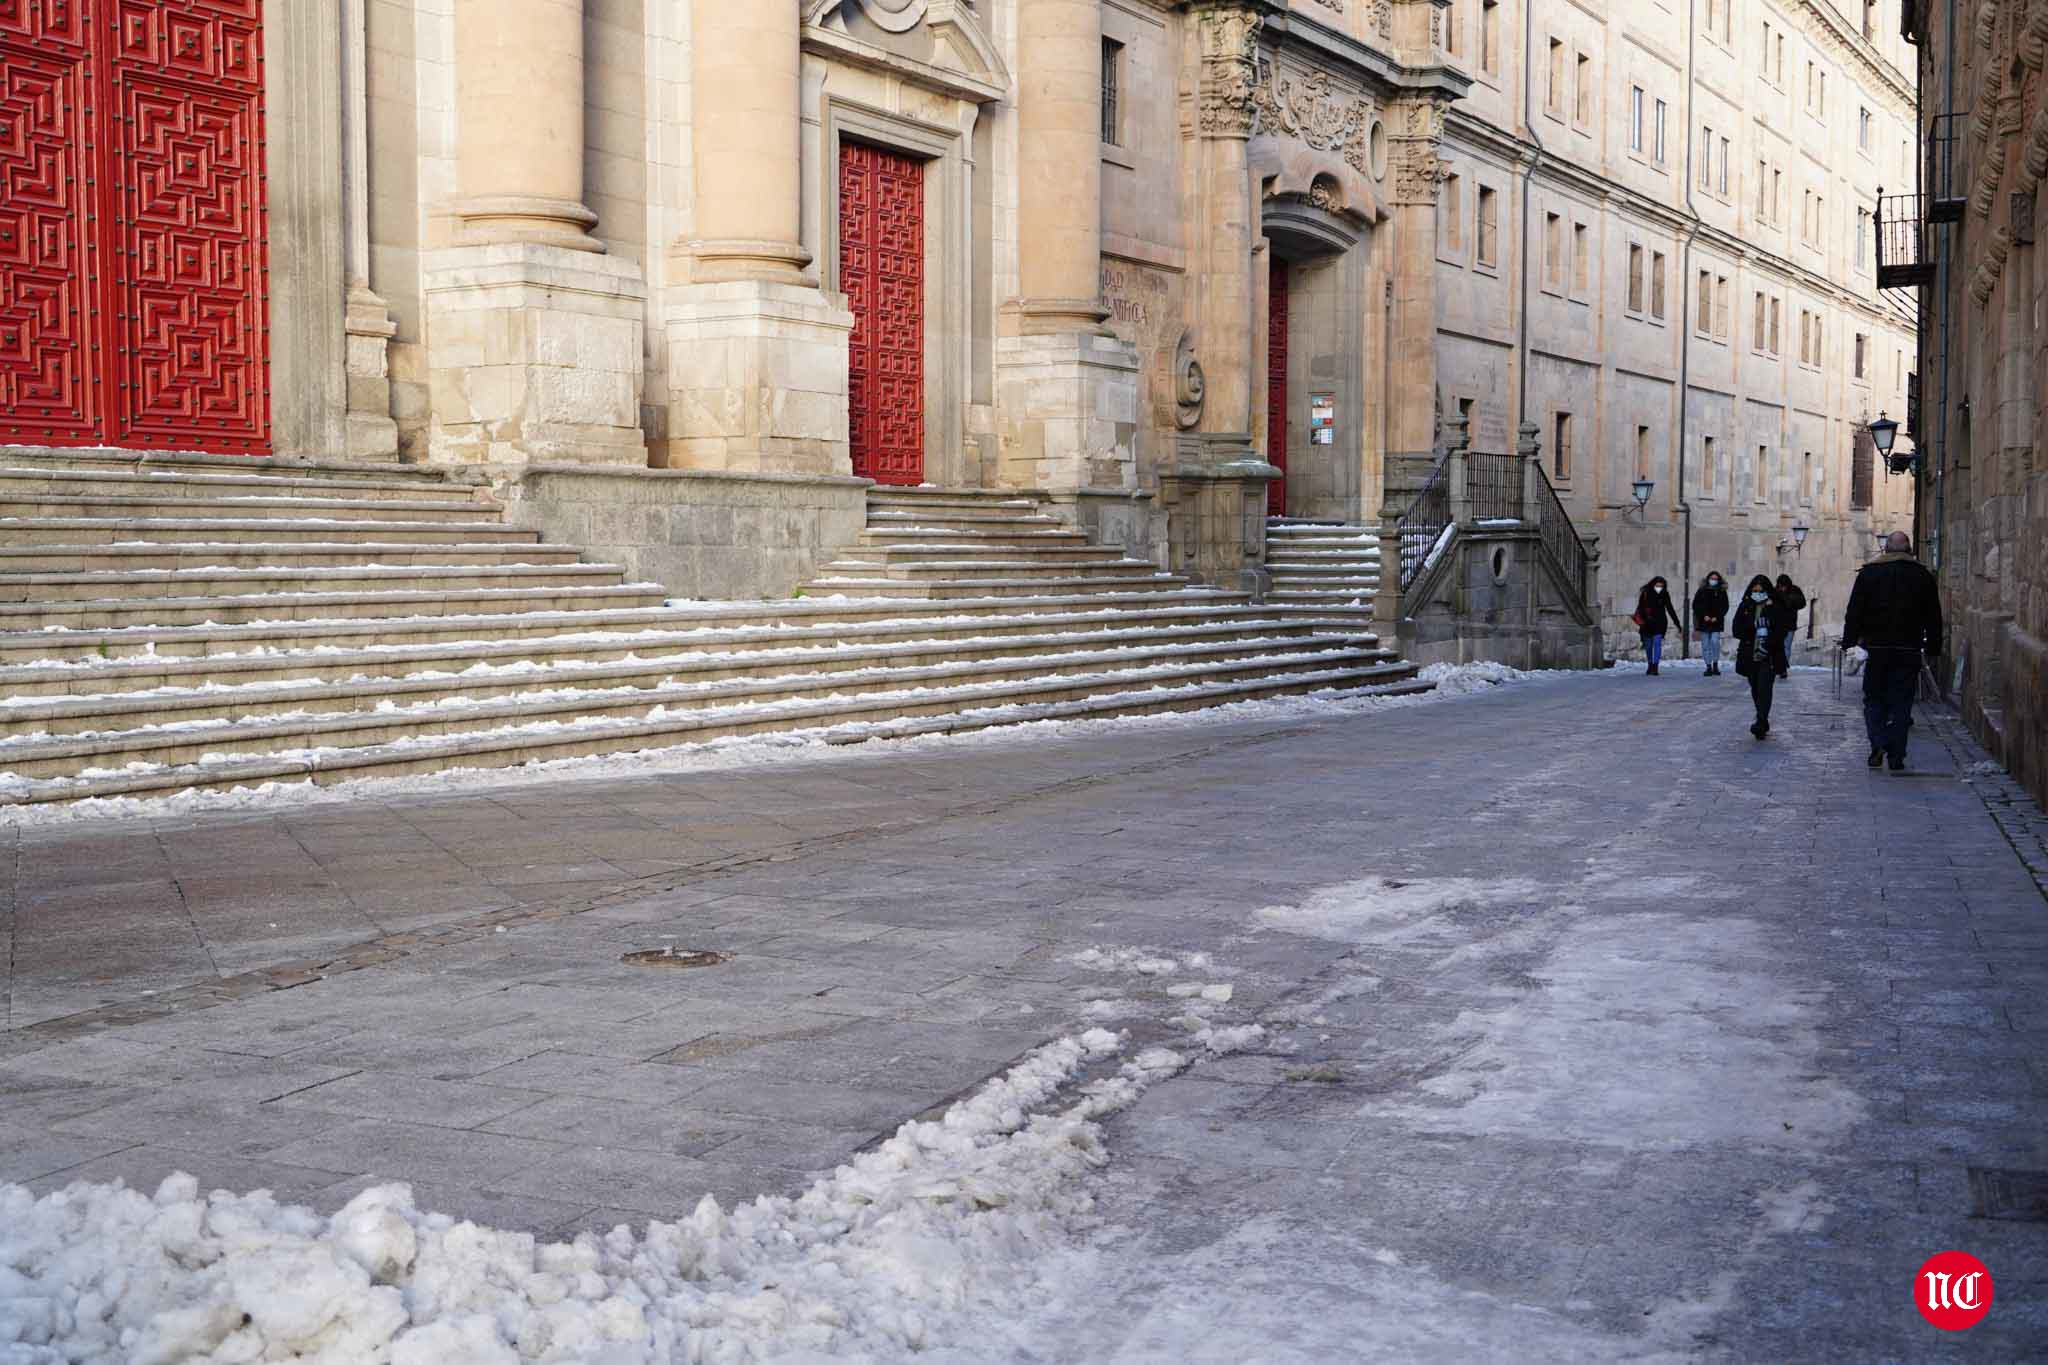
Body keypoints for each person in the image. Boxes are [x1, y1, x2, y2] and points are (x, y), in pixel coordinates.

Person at [1842, 532, 1944, 772]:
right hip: (1908, 648)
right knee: (1902, 702)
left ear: (1886, 549)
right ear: (1909, 550)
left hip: (1876, 648)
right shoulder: (1922, 576)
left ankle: (1878, 742)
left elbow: (1855, 610)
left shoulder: (1868, 574)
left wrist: (1849, 641)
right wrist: (1933, 646)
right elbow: (1933, 615)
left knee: (1874, 698)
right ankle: (1896, 755)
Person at [1732, 575, 1796, 739]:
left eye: (1761, 589)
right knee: (1755, 687)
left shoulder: (1776, 606)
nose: (1758, 592)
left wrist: (1769, 635)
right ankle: (1763, 717)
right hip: (1749, 654)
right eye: (1755, 589)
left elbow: (1782, 630)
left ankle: (1760, 721)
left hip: (1769, 655)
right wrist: (1753, 626)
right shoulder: (1746, 605)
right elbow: (1736, 629)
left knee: (1764, 688)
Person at [1634, 576, 1682, 675]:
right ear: (1653, 585)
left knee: (1657, 644)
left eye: (1661, 586)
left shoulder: (1665, 594)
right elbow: (1640, 607)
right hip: (1647, 623)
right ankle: (1650, 664)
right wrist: (1643, 620)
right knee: (1648, 646)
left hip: (1660, 623)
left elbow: (1670, 608)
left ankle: (1655, 667)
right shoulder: (1645, 593)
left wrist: (1677, 623)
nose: (1659, 588)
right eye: (1657, 585)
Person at [1692, 572, 1730, 677]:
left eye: (1716, 579)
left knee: (1715, 642)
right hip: (1704, 621)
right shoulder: (1701, 590)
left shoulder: (1721, 591)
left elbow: (1725, 606)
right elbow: (1695, 605)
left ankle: (1715, 664)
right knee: (1705, 645)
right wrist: (1703, 615)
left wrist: (1717, 617)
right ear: (1708, 579)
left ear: (1719, 580)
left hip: (1716, 622)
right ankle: (1708, 666)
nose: (1713, 580)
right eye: (1712, 578)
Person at [1773, 574, 1809, 677]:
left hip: (1789, 623)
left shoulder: (1795, 590)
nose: (1782, 588)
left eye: (1784, 585)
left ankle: (1783, 669)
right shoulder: (1775, 591)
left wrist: (1790, 600)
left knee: (1786, 647)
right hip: (1777, 624)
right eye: (1781, 585)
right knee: (1777, 646)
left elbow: (1802, 603)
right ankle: (1777, 667)